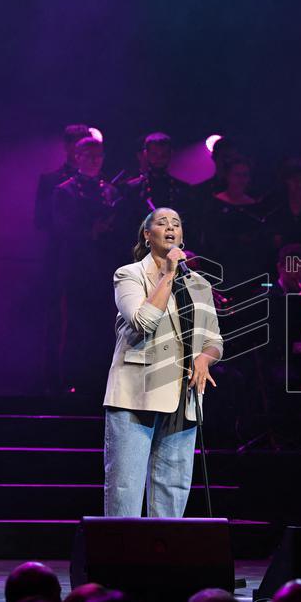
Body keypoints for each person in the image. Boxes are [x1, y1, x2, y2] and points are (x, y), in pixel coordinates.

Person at [103, 208, 224, 517]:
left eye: (177, 224)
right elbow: (143, 321)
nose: (170, 227)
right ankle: (119, 559)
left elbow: (214, 340)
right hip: (136, 393)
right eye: (162, 222)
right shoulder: (128, 274)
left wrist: (204, 359)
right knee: (126, 487)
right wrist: (168, 274)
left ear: (182, 236)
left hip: (183, 396)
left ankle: (164, 559)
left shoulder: (200, 285)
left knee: (173, 489)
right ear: (147, 234)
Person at [52, 135, 124, 394]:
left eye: (99, 156)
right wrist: (91, 230)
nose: (95, 161)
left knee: (105, 325)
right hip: (77, 268)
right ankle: (71, 380)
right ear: (77, 157)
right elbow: (60, 229)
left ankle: (100, 380)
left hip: (104, 268)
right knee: (75, 325)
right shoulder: (64, 190)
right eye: (89, 156)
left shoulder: (111, 190)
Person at [36, 124, 96, 393]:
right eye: (76, 143)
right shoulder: (52, 181)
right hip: (62, 258)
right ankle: (55, 379)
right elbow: (42, 221)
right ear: (68, 146)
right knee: (59, 318)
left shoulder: (101, 184)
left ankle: (86, 377)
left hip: (91, 261)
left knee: (88, 317)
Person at [123, 132, 193, 214]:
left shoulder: (182, 189)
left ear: (171, 154)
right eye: (154, 154)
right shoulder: (134, 189)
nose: (159, 159)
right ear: (146, 154)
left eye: (164, 155)